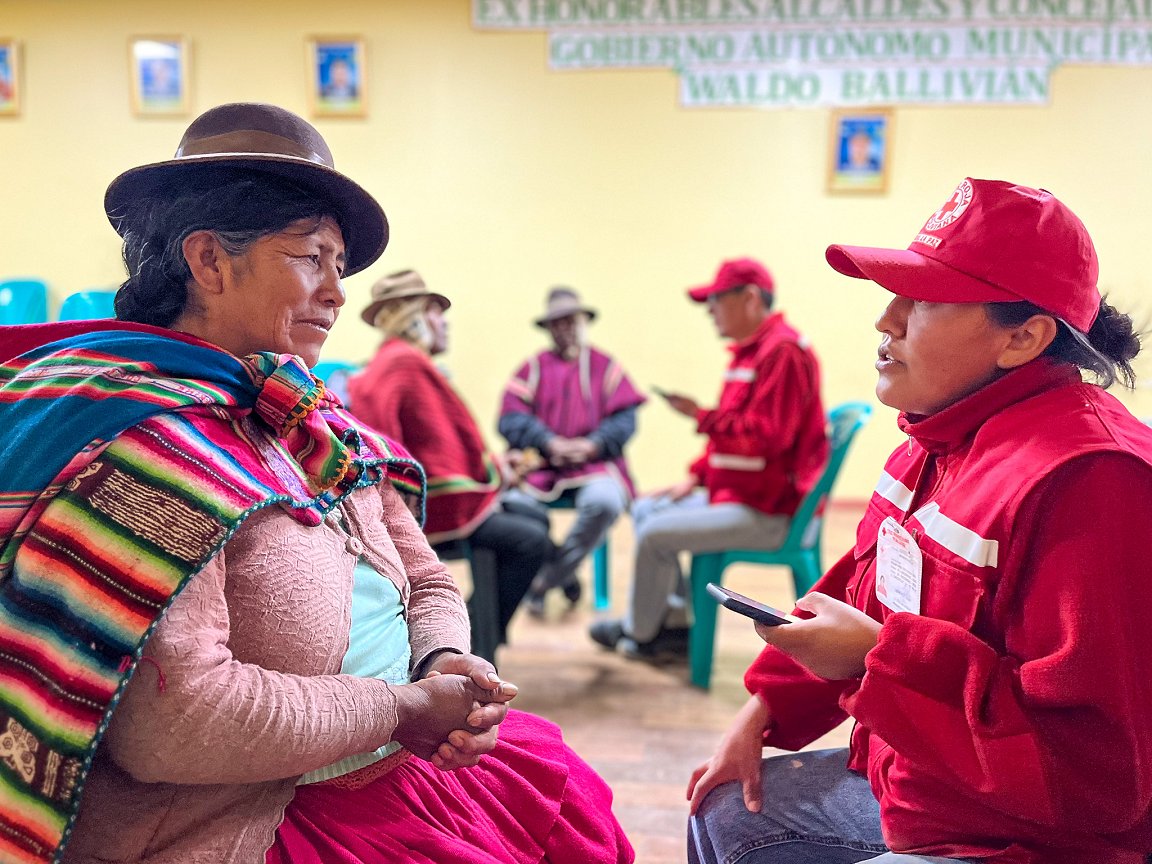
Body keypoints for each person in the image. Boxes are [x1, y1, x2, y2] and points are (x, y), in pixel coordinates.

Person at [0, 102, 632, 864]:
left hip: (400, 757)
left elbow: (426, 578)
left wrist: (443, 664)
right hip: (258, 817)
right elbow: (175, 724)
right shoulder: (139, 445)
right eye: (311, 257)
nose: (336, 293)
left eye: (340, 266)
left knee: (566, 806)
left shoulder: (300, 411)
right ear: (208, 261)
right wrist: (402, 711)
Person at [686, 179, 1152, 863]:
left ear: (1023, 337)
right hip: (917, 781)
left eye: (925, 301)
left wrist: (880, 657)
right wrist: (763, 711)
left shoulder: (1092, 479)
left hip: (1016, 836)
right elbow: (860, 590)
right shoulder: (936, 438)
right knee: (723, 810)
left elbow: (1099, 778)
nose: (887, 320)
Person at [590, 257, 827, 660]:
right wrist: (698, 478)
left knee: (653, 534)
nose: (710, 311)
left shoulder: (781, 353)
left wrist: (700, 416)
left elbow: (765, 440)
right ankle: (675, 627)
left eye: (716, 300)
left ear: (750, 298)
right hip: (742, 494)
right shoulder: (752, 353)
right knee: (648, 509)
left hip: (769, 510)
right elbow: (732, 439)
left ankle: (640, 635)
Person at [347, 268, 553, 650]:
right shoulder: (405, 362)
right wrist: (488, 472)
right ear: (415, 316)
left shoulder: (398, 360)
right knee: (531, 540)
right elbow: (417, 450)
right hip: (430, 511)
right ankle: (474, 638)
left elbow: (442, 442)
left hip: (427, 501)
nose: (445, 324)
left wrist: (491, 467)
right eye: (437, 313)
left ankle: (476, 629)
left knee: (534, 519)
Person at [498, 286, 646, 617]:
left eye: (571, 320)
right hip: (542, 467)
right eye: (557, 322)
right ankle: (561, 572)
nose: (565, 328)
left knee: (606, 502)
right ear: (548, 328)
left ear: (583, 321)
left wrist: (593, 444)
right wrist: (548, 442)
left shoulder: (605, 367)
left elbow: (626, 419)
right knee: (514, 506)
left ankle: (546, 579)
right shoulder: (532, 369)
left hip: (595, 465)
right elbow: (509, 418)